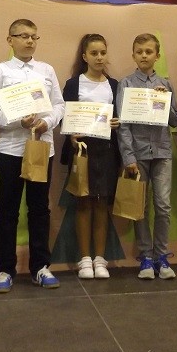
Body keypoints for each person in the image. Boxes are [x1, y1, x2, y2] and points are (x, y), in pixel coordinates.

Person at [0, 19, 65, 293]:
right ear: (10, 40)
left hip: (41, 147)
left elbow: (59, 105)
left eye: (33, 37)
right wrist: (16, 121)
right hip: (10, 149)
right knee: (8, 209)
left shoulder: (46, 70)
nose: (29, 41)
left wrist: (47, 122)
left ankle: (40, 267)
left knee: (39, 208)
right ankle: (5, 269)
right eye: (23, 36)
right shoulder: (1, 70)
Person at [116, 33, 177, 279]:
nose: (144, 56)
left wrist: (163, 100)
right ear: (133, 55)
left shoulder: (165, 84)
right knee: (140, 207)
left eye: (149, 52)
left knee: (163, 205)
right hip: (138, 153)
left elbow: (175, 120)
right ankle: (145, 257)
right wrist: (128, 157)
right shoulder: (126, 84)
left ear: (157, 56)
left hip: (162, 151)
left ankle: (161, 257)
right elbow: (123, 124)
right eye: (139, 52)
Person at [59, 34, 122, 279]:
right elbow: (65, 117)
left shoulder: (114, 85)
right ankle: (85, 259)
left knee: (102, 203)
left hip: (107, 150)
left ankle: (100, 259)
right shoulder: (73, 84)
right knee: (83, 202)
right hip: (82, 150)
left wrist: (117, 122)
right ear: (84, 56)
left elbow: (121, 115)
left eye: (102, 53)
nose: (99, 57)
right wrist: (71, 136)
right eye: (94, 53)